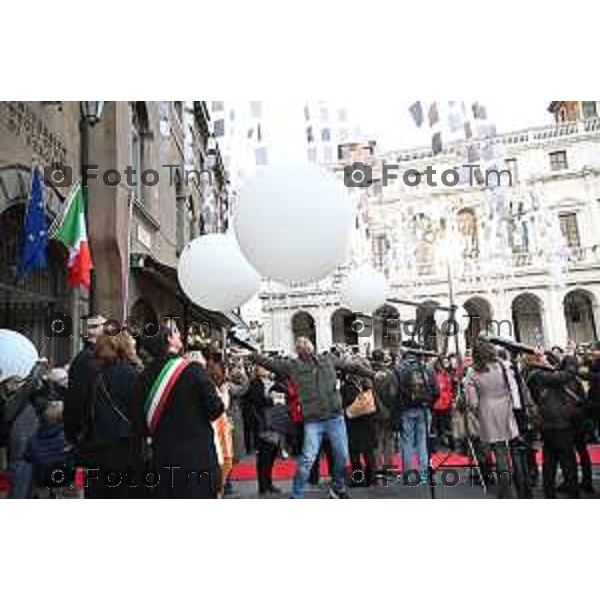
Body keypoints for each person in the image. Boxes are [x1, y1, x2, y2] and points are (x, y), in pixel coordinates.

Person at [232, 337, 375, 499]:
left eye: (306, 343)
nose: (304, 345)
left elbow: (352, 367)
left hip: (335, 417)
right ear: (298, 351)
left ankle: (338, 487)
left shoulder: (328, 359)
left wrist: (373, 374)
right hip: (313, 421)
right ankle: (297, 494)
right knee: (307, 459)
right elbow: (270, 363)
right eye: (301, 344)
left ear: (312, 346)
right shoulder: (293, 366)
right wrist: (251, 354)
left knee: (341, 455)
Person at [138, 326, 224, 499]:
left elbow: (140, 421)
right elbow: (215, 409)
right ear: (169, 339)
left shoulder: (143, 376)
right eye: (177, 332)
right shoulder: (193, 369)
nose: (180, 335)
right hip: (196, 460)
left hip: (162, 459)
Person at [81, 332, 145, 499]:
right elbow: (140, 413)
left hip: (99, 448)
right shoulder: (134, 375)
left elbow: (87, 412)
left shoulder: (95, 375)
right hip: (127, 448)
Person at [464, 342, 522, 498]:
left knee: (500, 453)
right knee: (511, 450)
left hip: (487, 409)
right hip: (506, 407)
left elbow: (472, 401)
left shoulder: (473, 371)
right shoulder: (502, 365)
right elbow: (513, 386)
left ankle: (507, 491)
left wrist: (476, 410)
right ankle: (519, 487)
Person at [522, 349, 580, 499]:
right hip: (556, 422)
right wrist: (570, 358)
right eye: (541, 356)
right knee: (567, 460)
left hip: (548, 422)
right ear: (535, 359)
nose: (544, 358)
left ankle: (549, 492)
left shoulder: (534, 373)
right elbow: (565, 375)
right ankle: (572, 493)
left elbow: (557, 371)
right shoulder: (538, 375)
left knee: (550, 459)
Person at [393, 342, 439, 484]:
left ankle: (408, 477)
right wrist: (429, 403)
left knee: (406, 444)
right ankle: (424, 477)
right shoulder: (426, 368)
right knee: (422, 444)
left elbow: (394, 392)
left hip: (406, 410)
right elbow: (436, 391)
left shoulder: (399, 369)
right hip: (424, 409)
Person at [64, 315, 106, 448]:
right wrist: (78, 433)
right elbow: (77, 399)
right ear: (93, 330)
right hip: (87, 434)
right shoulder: (86, 359)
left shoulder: (96, 356)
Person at [245, 364, 284, 497]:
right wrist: (272, 399)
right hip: (262, 423)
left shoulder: (273, 382)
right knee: (264, 456)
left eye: (266, 368)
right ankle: (263, 486)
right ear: (257, 370)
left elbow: (282, 396)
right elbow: (257, 401)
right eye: (262, 368)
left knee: (272, 455)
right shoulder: (255, 384)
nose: (266, 369)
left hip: (275, 422)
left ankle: (269, 483)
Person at [342, 361, 379, 488]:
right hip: (367, 423)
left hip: (354, 425)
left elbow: (346, 405)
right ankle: (371, 480)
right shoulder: (368, 385)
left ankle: (358, 480)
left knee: (355, 455)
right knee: (368, 454)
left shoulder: (347, 386)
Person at [432, 356, 454, 451]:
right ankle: (439, 444)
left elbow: (449, 389)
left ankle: (449, 442)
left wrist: (451, 400)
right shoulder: (436, 375)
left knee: (446, 424)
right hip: (438, 403)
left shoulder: (447, 374)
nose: (446, 364)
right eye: (443, 362)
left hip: (445, 403)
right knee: (438, 425)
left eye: (447, 361)